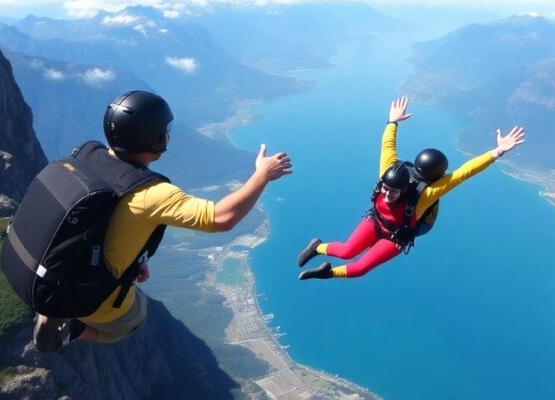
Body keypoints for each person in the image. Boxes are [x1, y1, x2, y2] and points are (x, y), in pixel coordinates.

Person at [33, 90, 291, 352]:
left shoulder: (87, 154)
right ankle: (69, 330)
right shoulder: (150, 194)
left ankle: (57, 305)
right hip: (87, 297)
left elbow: (101, 218)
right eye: (165, 130)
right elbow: (221, 218)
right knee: (133, 319)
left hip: (45, 267)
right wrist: (262, 175)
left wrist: (135, 260)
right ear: (154, 137)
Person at [296, 96, 524, 280]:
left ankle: (328, 273)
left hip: (396, 237)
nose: (386, 193)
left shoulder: (425, 195)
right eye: (385, 188)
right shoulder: (389, 170)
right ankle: (317, 247)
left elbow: (463, 173)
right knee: (346, 251)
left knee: (359, 269)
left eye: (392, 192)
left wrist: (497, 151)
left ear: (405, 189)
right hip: (376, 221)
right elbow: (387, 146)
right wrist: (392, 121)